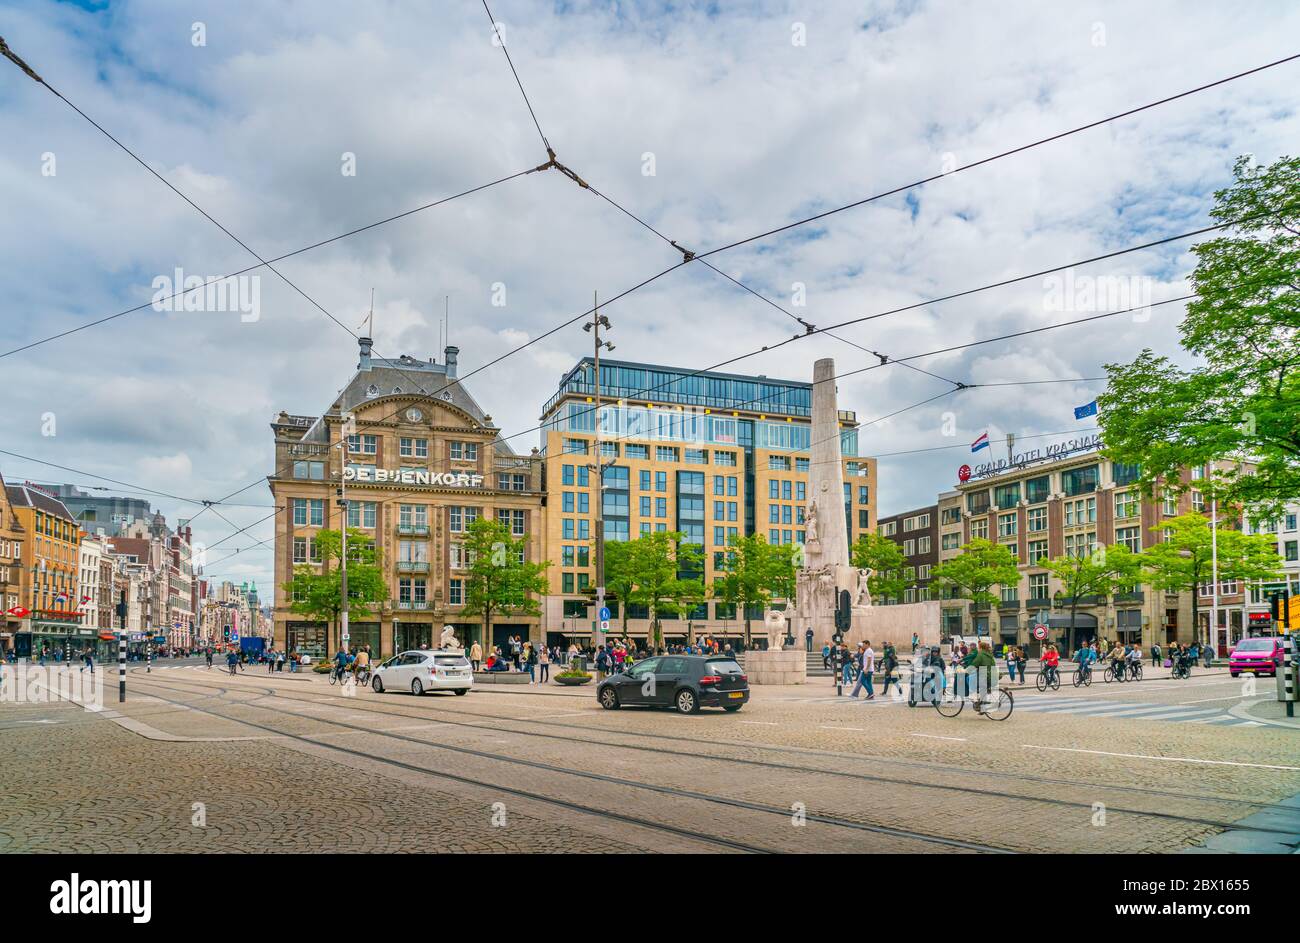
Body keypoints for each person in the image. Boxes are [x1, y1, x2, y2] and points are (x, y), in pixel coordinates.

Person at [965, 641, 997, 711]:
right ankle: (981, 703)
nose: (978, 649)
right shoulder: (990, 655)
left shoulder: (981, 655)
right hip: (991, 676)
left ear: (981, 648)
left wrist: (965, 671)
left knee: (968, 679)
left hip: (984, 676)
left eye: (978, 647)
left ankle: (975, 698)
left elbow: (974, 664)